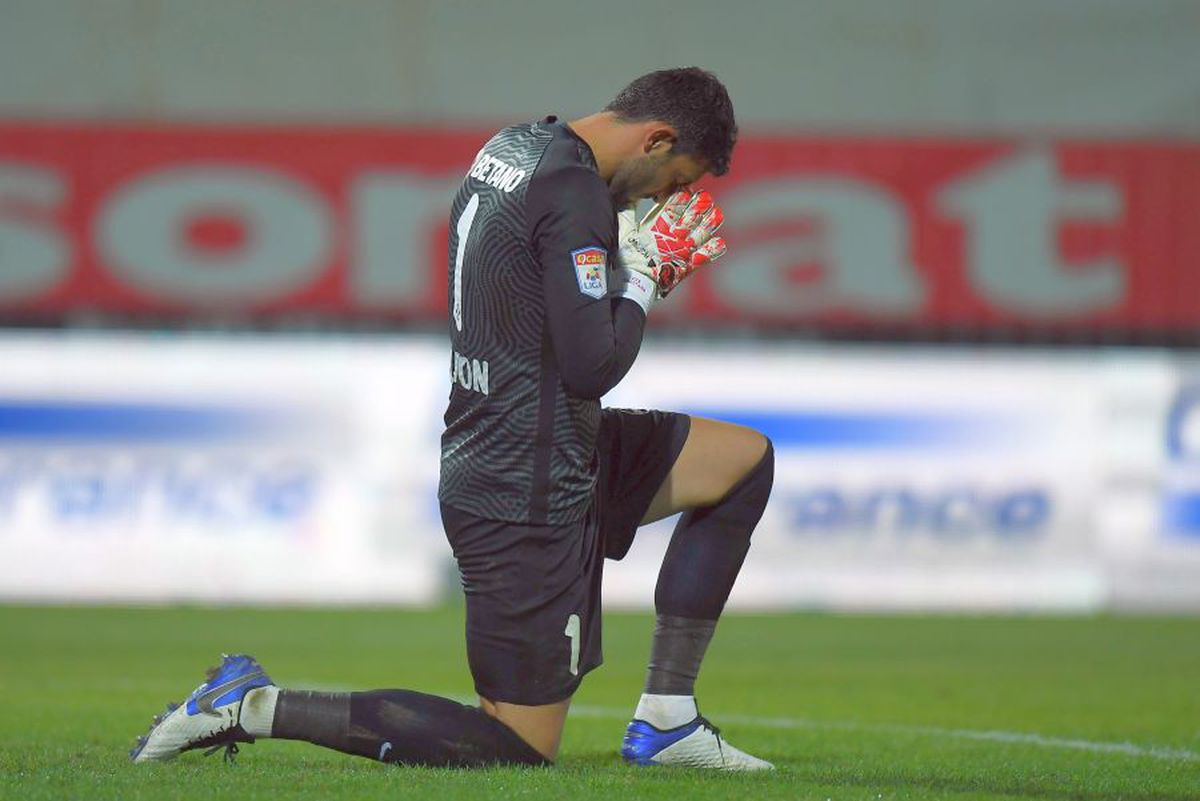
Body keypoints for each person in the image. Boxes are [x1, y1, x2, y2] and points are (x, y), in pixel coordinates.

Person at [130, 67, 774, 771]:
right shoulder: (574, 189)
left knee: (742, 461)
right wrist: (644, 280)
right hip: (526, 482)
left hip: (539, 435)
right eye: (677, 180)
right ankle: (250, 704)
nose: (667, 200)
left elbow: (538, 286)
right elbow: (596, 365)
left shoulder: (521, 146)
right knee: (518, 744)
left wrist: (618, 266)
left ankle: (668, 720)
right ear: (657, 138)